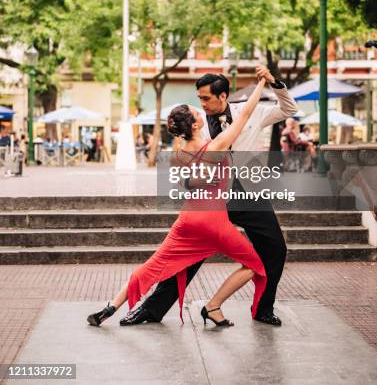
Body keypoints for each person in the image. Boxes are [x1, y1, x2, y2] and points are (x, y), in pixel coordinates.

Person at [120, 64, 298, 327]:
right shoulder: (196, 125)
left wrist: (274, 82)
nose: (201, 103)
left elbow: (290, 110)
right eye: (199, 98)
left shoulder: (250, 113)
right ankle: (151, 310)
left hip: (250, 193)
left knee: (276, 249)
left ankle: (263, 308)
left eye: (206, 98)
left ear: (223, 96)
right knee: (189, 256)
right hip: (211, 198)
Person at [87, 78, 269, 328]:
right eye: (197, 112)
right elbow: (246, 112)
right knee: (254, 266)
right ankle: (213, 306)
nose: (201, 110)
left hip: (187, 220)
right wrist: (261, 83)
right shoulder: (217, 145)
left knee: (152, 266)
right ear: (195, 125)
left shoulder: (177, 157)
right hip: (213, 221)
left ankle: (111, 306)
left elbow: (185, 185)